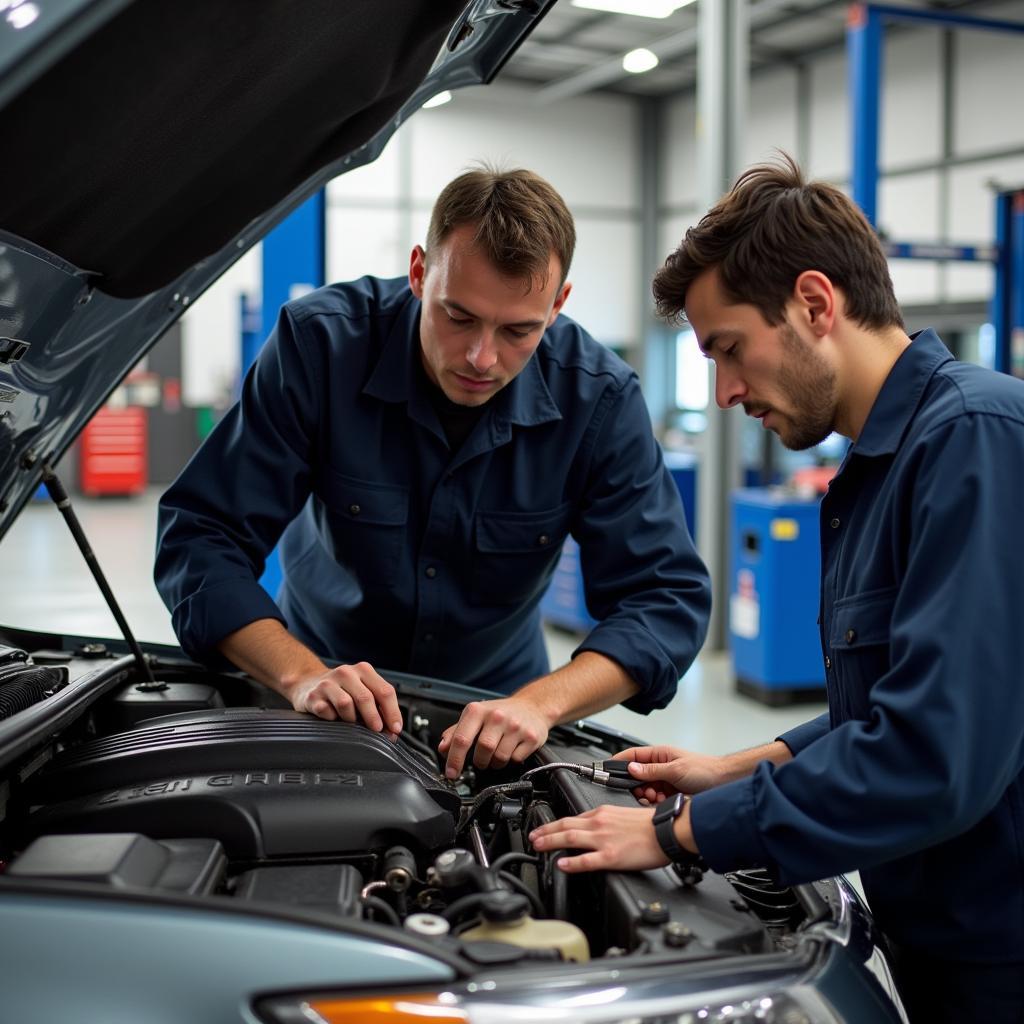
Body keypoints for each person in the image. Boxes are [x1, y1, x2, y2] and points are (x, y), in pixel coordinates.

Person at [529, 155, 1024, 1022]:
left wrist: (675, 836)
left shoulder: (973, 442)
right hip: (944, 935)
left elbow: (933, 753)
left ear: (816, 304)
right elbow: (890, 703)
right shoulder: (879, 471)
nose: (722, 393)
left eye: (728, 350)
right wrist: (739, 766)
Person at [155, 166, 710, 780]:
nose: (481, 357)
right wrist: (301, 673)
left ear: (558, 306)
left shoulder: (597, 398)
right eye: (459, 316)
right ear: (420, 272)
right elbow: (201, 536)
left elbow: (666, 599)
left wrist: (539, 703)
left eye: (518, 330)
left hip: (498, 714)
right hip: (319, 688)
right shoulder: (319, 347)